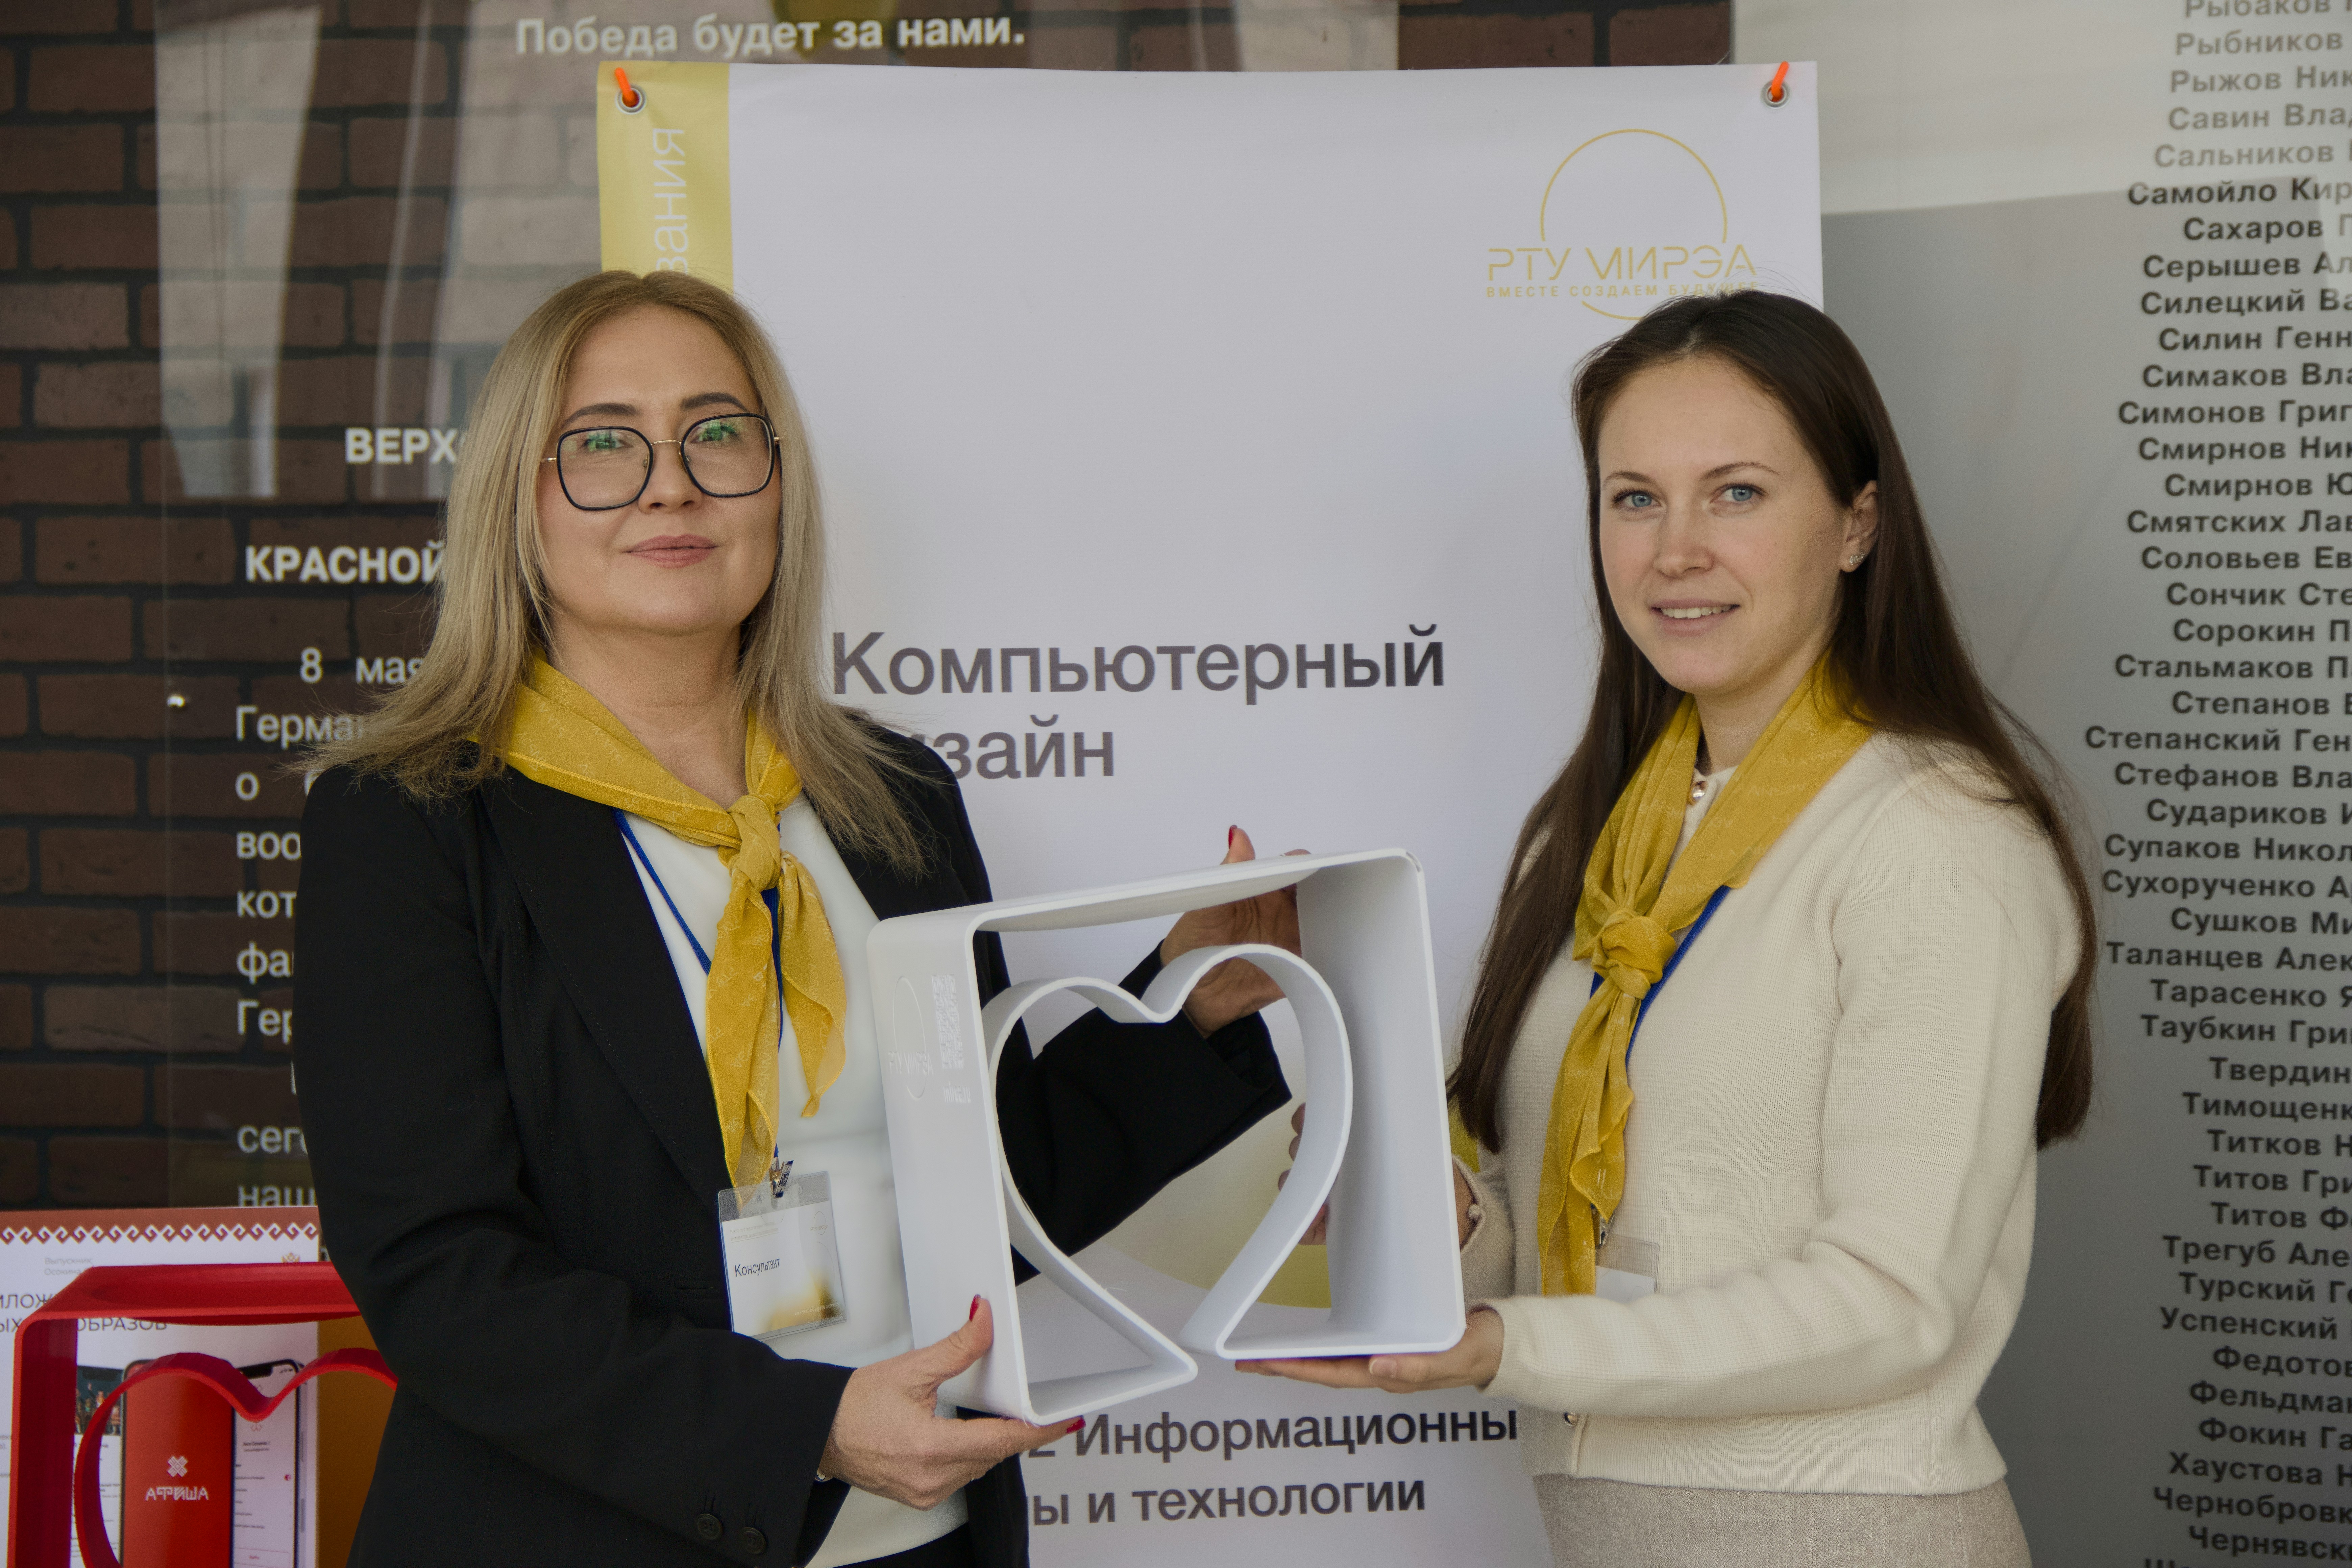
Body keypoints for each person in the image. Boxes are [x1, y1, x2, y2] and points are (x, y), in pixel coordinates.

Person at [294, 269, 1301, 1568]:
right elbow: (438, 1273)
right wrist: (805, 1430)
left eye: (717, 433)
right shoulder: (413, 822)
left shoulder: (895, 798)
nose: (671, 486)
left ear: (777, 485)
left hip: (926, 1535)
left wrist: (1191, 995)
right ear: (516, 499)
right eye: (603, 443)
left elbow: (995, 1189)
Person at [1247, 290, 2094, 1567]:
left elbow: (1895, 1301)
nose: (1675, 551)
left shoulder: (1935, 837)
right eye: (1634, 498)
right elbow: (1549, 1227)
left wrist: (1509, 1345)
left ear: (1858, 524)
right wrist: (1427, 1212)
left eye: (1736, 494)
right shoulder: (1591, 836)